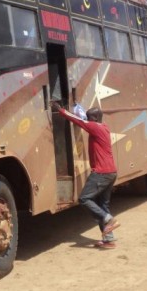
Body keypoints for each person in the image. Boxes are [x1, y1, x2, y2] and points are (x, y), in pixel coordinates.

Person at [51, 101, 120, 248]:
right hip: (111, 172)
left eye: (89, 117)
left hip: (101, 173)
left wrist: (61, 111)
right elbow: (82, 120)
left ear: (94, 119)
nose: (87, 119)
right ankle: (109, 240)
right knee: (103, 204)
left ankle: (108, 219)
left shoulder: (94, 127)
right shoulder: (104, 127)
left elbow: (78, 121)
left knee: (84, 198)